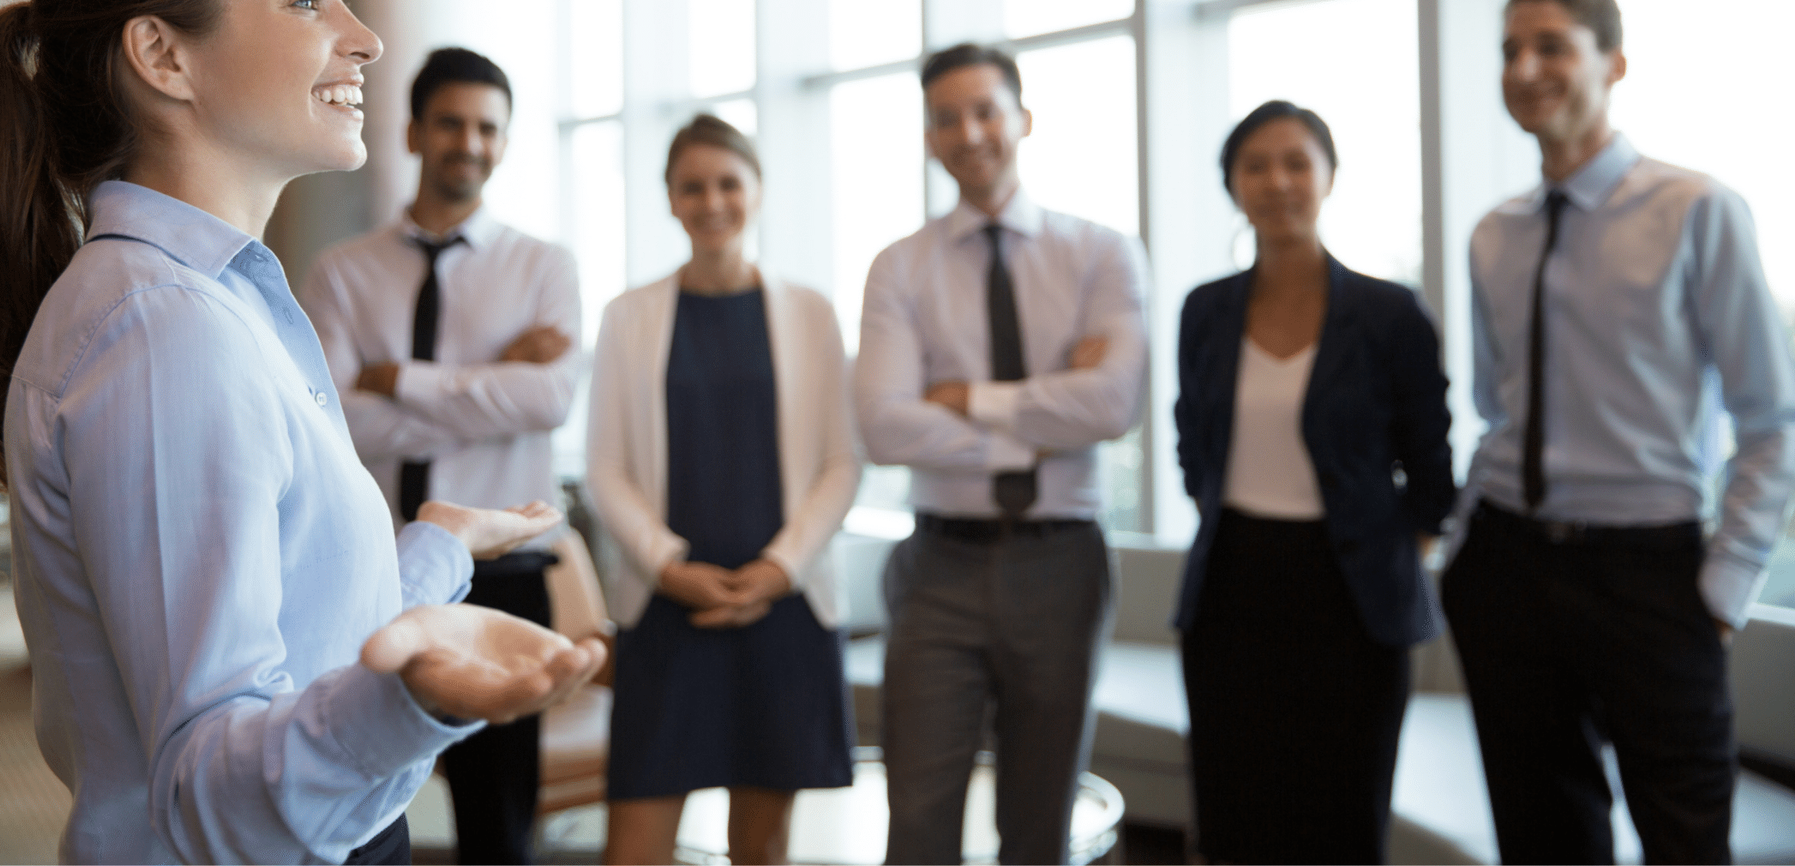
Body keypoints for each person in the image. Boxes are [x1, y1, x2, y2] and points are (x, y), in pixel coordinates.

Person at [0, 0, 601, 865]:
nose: (366, 38)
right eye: (306, 0)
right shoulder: (164, 331)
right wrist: (410, 703)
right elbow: (211, 792)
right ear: (164, 56)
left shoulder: (208, 302)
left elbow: (302, 647)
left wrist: (438, 546)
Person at [1443, 0, 1795, 865]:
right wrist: (1463, 552)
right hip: (1508, 565)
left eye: (1552, 45)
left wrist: (1722, 590)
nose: (1526, 67)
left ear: (1614, 62)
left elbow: (1770, 415)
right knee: (1541, 839)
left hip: (1653, 575)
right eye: (1509, 50)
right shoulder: (1494, 233)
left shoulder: (1696, 209)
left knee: (1683, 839)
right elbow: (1497, 410)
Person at [855, 43, 1148, 865]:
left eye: (985, 110)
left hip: (1063, 563)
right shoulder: (900, 267)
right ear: (928, 136)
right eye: (946, 117)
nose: (969, 131)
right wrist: (1053, 404)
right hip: (937, 565)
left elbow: (1114, 405)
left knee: (1039, 821)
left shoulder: (1100, 253)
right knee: (916, 819)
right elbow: (885, 428)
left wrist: (968, 400)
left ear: (1023, 118)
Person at [301, 46, 583, 865]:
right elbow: (337, 429)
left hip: (507, 573)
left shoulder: (543, 268)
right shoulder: (343, 274)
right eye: (452, 123)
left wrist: (405, 382)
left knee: (500, 822)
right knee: (351, 795)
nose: (471, 142)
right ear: (415, 132)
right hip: (371, 567)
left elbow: (552, 400)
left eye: (488, 128)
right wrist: (493, 386)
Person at [1172, 100, 1455, 863]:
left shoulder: (1390, 313)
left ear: (1329, 176)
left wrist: (1397, 553)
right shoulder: (1205, 310)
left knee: (1342, 812)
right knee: (1235, 813)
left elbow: (1433, 466)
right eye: (1256, 165)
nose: (1278, 181)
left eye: (1297, 162)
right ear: (1232, 184)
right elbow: (1191, 441)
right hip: (1232, 584)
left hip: (1353, 593)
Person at [585, 115, 860, 866]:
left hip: (784, 610)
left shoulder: (812, 312)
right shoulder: (627, 316)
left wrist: (779, 570)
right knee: (634, 847)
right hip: (667, 611)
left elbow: (843, 462)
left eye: (728, 183)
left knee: (761, 851)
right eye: (692, 186)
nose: (712, 201)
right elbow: (604, 466)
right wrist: (670, 569)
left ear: (758, 192)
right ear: (670, 200)